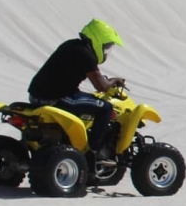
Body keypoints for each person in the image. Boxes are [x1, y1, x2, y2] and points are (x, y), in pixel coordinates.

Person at [28, 18, 125, 164]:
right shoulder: (86, 55)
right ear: (98, 41)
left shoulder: (71, 45)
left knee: (87, 101)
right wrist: (114, 80)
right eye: (106, 47)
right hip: (58, 97)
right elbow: (101, 86)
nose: (106, 51)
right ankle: (93, 152)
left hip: (36, 95)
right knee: (105, 108)